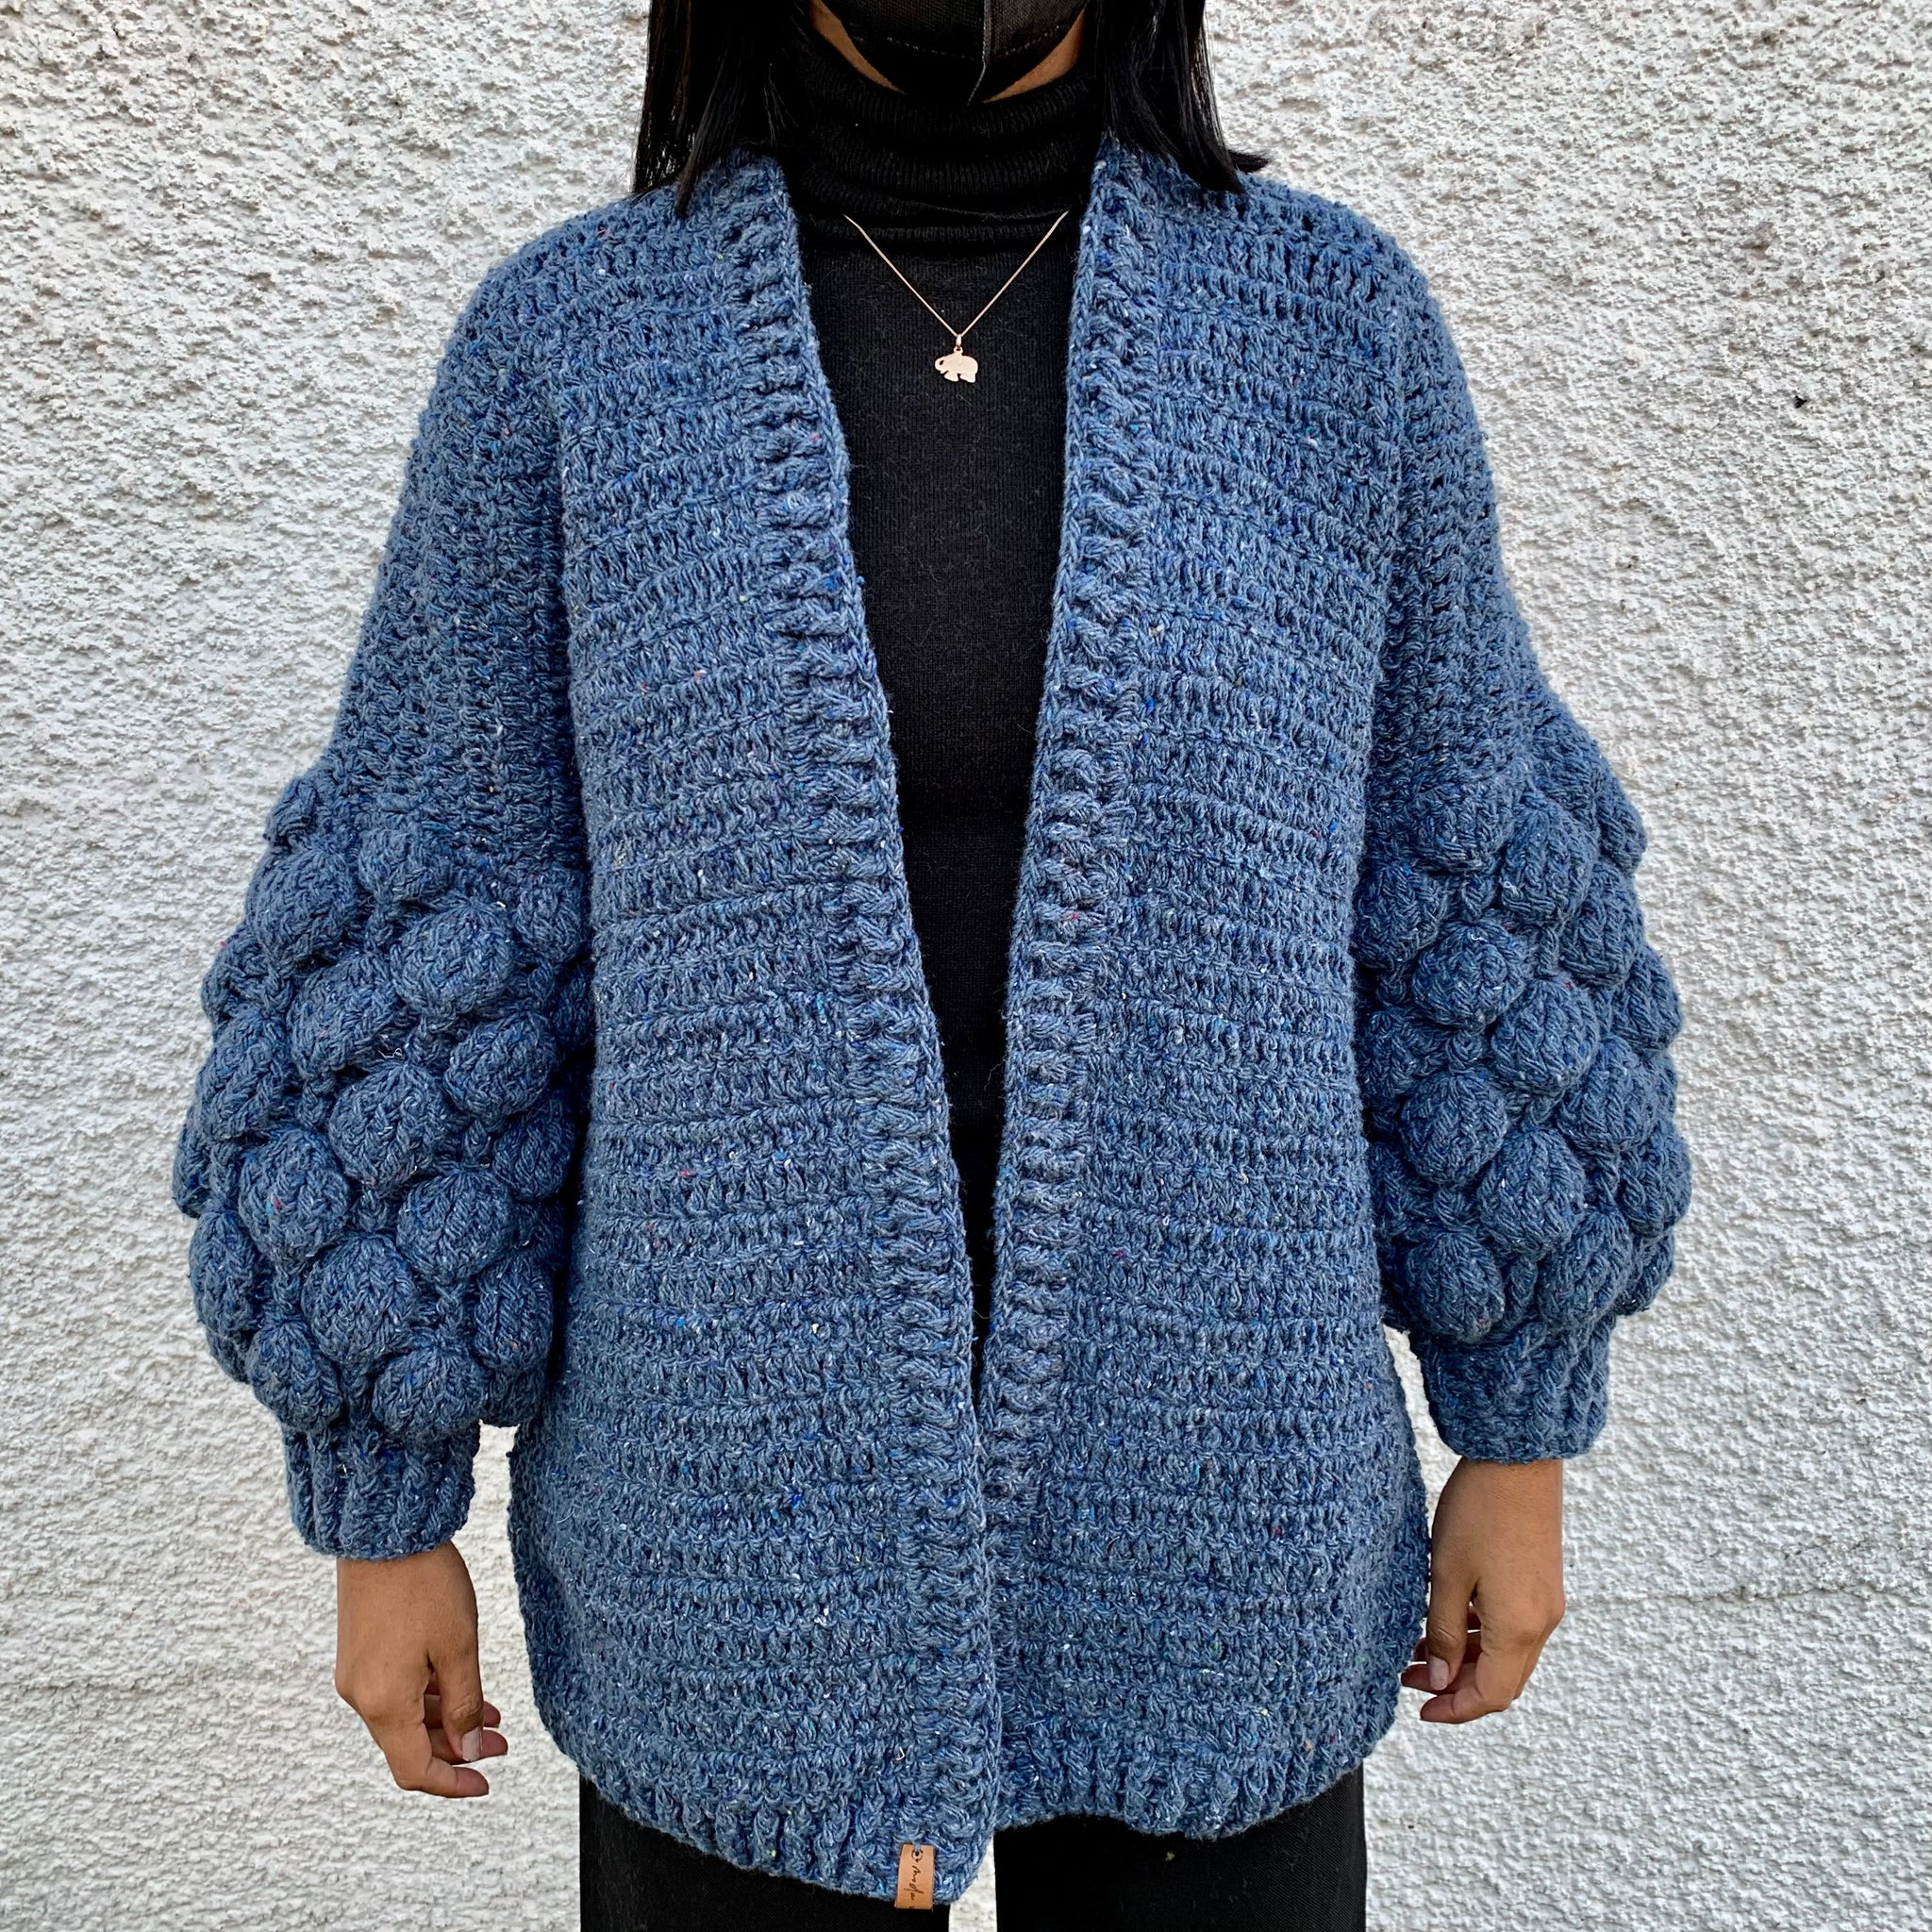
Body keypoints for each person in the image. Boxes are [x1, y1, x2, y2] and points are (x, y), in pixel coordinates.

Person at [173, 2, 1690, 1925]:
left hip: (1219, 1504)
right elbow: (435, 929)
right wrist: (384, 1504)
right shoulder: (571, 353)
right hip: (727, 1531)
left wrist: (1518, 1423)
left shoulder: (1335, 336)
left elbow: (1468, 881)